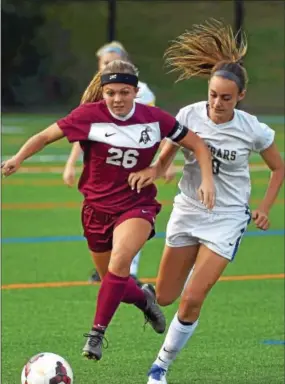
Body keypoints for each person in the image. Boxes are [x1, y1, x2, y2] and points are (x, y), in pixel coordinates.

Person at [2, 59, 215, 361]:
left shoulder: (153, 119)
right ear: (103, 91)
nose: (117, 99)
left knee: (120, 261)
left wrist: (166, 171)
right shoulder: (88, 116)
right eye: (111, 92)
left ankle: (96, 334)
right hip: (95, 210)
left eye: (125, 92)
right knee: (113, 281)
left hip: (136, 205)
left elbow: (197, 144)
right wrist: (19, 158)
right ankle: (144, 300)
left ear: (136, 91)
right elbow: (45, 136)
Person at [129, 19, 285, 384]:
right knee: (165, 298)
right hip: (188, 210)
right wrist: (157, 169)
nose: (216, 102)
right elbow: (168, 149)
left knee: (192, 299)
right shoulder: (189, 114)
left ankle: (161, 365)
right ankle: (150, 294)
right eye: (213, 94)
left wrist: (264, 207)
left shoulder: (253, 129)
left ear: (240, 97)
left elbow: (278, 169)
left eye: (226, 97)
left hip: (227, 218)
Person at [62, 41, 175, 283]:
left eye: (110, 62)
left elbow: (156, 127)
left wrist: (162, 164)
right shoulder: (100, 89)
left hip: (135, 166)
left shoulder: (140, 91)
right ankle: (115, 273)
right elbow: (83, 131)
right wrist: (72, 162)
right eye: (103, 64)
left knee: (133, 216)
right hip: (109, 169)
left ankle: (129, 271)